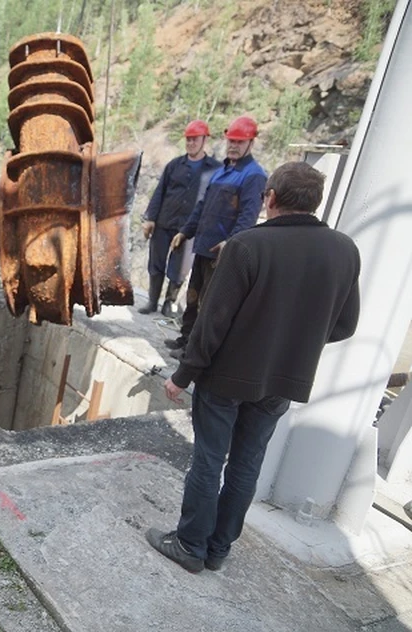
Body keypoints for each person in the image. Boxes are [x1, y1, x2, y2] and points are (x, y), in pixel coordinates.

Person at [147, 161, 361, 573]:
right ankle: (218, 550)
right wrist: (293, 346)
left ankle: (190, 545)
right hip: (283, 381)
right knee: (247, 464)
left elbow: (211, 324)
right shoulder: (344, 250)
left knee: (210, 460)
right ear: (315, 202)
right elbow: (345, 324)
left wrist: (183, 375)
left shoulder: (247, 246)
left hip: (227, 376)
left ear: (271, 198)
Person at [165, 115, 268, 357]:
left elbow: (248, 216)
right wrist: (184, 231)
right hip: (203, 246)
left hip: (220, 252)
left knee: (209, 304)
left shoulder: (253, 176)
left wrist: (231, 243)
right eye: (231, 140)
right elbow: (202, 207)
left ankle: (195, 351)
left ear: (251, 143)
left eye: (239, 142)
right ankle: (185, 339)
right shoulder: (223, 171)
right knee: (193, 298)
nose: (233, 145)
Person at [140, 120, 221, 317]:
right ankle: (152, 301)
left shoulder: (214, 169)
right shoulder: (175, 165)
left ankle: (170, 302)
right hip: (165, 220)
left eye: (195, 139)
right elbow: (160, 191)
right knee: (156, 261)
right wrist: (150, 217)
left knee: (180, 268)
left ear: (204, 140)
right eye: (189, 139)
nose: (191, 143)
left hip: (190, 227)